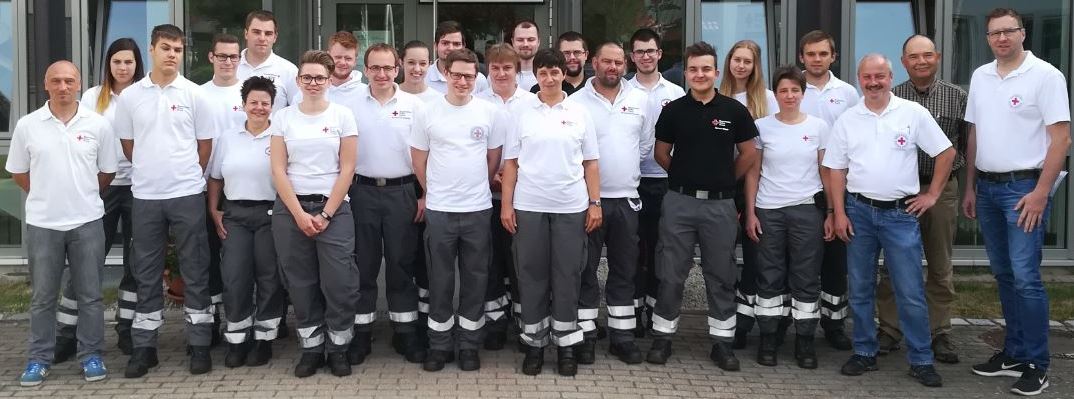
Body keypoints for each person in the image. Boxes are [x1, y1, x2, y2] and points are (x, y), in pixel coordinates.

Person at [824, 53, 953, 388]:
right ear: (858, 79)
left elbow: (946, 152)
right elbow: (834, 169)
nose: (873, 82)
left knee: (909, 289)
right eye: (867, 77)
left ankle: (921, 359)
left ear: (890, 76)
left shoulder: (912, 113)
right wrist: (838, 213)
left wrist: (933, 195)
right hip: (859, 213)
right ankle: (865, 353)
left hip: (900, 215)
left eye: (880, 76)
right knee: (862, 287)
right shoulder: (848, 119)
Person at [964, 8, 1071, 397]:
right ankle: (1013, 353)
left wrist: (1041, 193)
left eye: (1009, 31)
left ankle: (1037, 364)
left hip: (1023, 190)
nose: (1002, 38)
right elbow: (974, 133)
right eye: (994, 33)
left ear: (1023, 33)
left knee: (1026, 278)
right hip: (989, 190)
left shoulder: (1046, 76)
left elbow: (1061, 140)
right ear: (988, 38)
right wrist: (971, 187)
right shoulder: (980, 76)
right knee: (1004, 274)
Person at [645, 41, 758, 372]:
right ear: (687, 72)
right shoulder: (674, 110)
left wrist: (723, 180)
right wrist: (684, 177)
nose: (699, 74)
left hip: (720, 207)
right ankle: (663, 337)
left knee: (721, 274)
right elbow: (661, 154)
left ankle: (722, 343)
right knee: (670, 273)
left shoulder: (734, 111)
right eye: (693, 69)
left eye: (706, 69)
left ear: (716, 72)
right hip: (679, 202)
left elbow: (749, 155)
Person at [115, 24, 216, 378]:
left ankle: (200, 345)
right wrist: (153, 171)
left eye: (177, 48)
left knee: (195, 268)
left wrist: (186, 174)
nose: (172, 54)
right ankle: (144, 348)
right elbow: (129, 146)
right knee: (145, 271)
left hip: (186, 193)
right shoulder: (130, 97)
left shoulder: (194, 94)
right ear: (152, 49)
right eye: (165, 48)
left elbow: (205, 146)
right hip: (145, 196)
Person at [9, 61, 117, 387]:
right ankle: (39, 359)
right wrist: (45, 193)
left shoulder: (97, 125)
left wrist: (80, 193)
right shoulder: (28, 125)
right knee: (43, 297)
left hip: (87, 222)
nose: (63, 87)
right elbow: (18, 171)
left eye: (69, 81)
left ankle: (92, 355)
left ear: (79, 84)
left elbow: (107, 171)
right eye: (56, 81)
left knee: (90, 296)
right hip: (44, 224)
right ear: (46, 85)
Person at [501, 48, 601, 377]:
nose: (549, 78)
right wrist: (506, 204)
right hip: (529, 206)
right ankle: (534, 343)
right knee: (530, 275)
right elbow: (511, 164)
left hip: (570, 206)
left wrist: (594, 202)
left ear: (563, 73)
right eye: (542, 73)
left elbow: (590, 163)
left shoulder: (580, 111)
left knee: (568, 274)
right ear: (536, 76)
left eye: (554, 72)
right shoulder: (522, 114)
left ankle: (566, 346)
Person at [410, 48, 507, 372]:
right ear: (446, 74)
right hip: (439, 210)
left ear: (476, 77)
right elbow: (418, 159)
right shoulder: (428, 111)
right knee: (440, 279)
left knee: (476, 279)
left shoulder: (489, 112)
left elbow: (493, 158)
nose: (463, 81)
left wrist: (478, 183)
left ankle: (468, 345)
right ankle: (439, 345)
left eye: (469, 75)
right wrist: (433, 189)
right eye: (457, 75)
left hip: (478, 209)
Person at [270, 50, 361, 378]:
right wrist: (298, 214)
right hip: (291, 210)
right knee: (301, 282)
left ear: (329, 79)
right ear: (298, 81)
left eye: (320, 77)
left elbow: (347, 167)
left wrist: (324, 214)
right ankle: (311, 348)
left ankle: (338, 348)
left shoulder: (342, 115)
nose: (313, 83)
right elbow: (279, 170)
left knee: (339, 282)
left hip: (333, 209)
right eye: (307, 77)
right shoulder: (283, 118)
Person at [879, 34, 966, 365]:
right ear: (903, 62)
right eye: (913, 57)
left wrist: (965, 189)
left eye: (927, 55)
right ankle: (889, 329)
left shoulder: (957, 97)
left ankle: (939, 332)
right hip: (900, 191)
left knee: (940, 264)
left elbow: (966, 146)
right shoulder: (892, 96)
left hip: (941, 190)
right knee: (893, 264)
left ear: (937, 57)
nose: (921, 61)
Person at [54, 38, 143, 361]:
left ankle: (127, 329)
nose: (122, 67)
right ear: (108, 64)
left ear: (137, 65)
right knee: (86, 261)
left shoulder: (142, 94)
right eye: (117, 61)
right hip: (100, 188)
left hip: (137, 188)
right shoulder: (93, 97)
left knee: (135, 266)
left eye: (128, 62)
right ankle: (66, 335)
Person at [570, 41, 653, 365]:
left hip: (627, 201)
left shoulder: (641, 101)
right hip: (588, 202)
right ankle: (587, 336)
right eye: (606, 61)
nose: (612, 67)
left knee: (624, 270)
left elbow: (645, 146)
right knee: (585, 270)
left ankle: (622, 337)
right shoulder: (576, 103)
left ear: (626, 65)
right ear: (594, 62)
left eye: (618, 62)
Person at [344, 43, 427, 366]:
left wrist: (424, 194)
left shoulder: (414, 106)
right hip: (362, 192)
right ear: (365, 71)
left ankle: (404, 332)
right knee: (363, 266)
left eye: (387, 68)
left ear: (397, 70)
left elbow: (423, 155)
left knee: (401, 264)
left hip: (402, 192)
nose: (381, 74)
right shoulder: (350, 106)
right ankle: (361, 334)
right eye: (375, 68)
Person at [743, 66, 829, 369]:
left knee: (806, 277)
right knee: (769, 276)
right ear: (775, 94)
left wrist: (830, 212)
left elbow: (825, 172)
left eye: (795, 90)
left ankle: (804, 341)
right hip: (769, 210)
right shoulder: (762, 126)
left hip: (807, 209)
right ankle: (768, 339)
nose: (789, 95)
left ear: (802, 93)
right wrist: (751, 212)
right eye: (784, 90)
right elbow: (753, 172)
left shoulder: (819, 126)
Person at [206, 76, 285, 369]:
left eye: (265, 103)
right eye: (254, 102)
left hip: (269, 215)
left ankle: (264, 340)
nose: (259, 107)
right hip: (235, 216)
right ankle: (237, 340)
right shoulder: (227, 138)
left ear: (272, 106)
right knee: (235, 278)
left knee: (268, 277)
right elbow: (215, 177)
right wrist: (214, 210)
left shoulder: (280, 136)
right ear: (243, 105)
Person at [797, 30, 859, 350]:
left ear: (833, 56)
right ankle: (792, 323)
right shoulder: (791, 90)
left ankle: (833, 324)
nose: (817, 59)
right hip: (799, 188)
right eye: (811, 54)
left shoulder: (848, 93)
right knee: (800, 259)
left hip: (837, 186)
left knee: (836, 260)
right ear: (801, 57)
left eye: (823, 53)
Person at [719, 39, 781, 348]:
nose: (741, 65)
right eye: (736, 59)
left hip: (757, 186)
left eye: (747, 61)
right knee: (724, 258)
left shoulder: (768, 99)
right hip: (725, 185)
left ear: (756, 66)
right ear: (729, 62)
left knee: (756, 257)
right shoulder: (719, 96)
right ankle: (728, 321)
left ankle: (748, 321)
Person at [475, 43, 537, 350]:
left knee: (522, 263)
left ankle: (525, 321)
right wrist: (492, 176)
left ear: (517, 70)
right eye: (495, 68)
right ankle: (495, 322)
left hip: (523, 197)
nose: (500, 73)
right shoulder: (476, 101)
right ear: (488, 70)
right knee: (491, 263)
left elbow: (537, 149)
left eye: (507, 68)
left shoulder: (532, 103)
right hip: (485, 198)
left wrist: (510, 176)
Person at [627, 28, 685, 334]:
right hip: (632, 183)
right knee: (634, 251)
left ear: (659, 54)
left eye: (650, 51)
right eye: (639, 51)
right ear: (632, 56)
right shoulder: (623, 93)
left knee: (662, 250)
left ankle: (655, 311)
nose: (645, 56)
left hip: (665, 182)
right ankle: (634, 313)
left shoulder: (675, 94)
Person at [200, 33, 247, 347]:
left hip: (243, 190)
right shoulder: (197, 95)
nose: (228, 61)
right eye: (222, 56)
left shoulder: (251, 93)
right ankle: (215, 319)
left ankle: (255, 320)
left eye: (233, 56)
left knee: (245, 261)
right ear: (211, 58)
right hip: (204, 187)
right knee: (211, 259)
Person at [237, 10, 298, 112]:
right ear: (246, 34)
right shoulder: (231, 66)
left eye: (268, 33)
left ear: (275, 37)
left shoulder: (289, 71)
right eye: (256, 32)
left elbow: (297, 112)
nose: (262, 38)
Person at [293, 31, 367, 103]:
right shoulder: (306, 93)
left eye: (348, 58)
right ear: (328, 56)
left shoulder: (366, 94)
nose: (342, 62)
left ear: (355, 61)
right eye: (338, 57)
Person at [426, 21, 490, 93]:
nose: (451, 48)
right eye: (445, 43)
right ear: (435, 46)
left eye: (456, 44)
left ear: (463, 46)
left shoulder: (479, 80)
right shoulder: (424, 77)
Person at [511, 19, 540, 89]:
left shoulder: (548, 75)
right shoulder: (500, 75)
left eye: (531, 40)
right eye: (520, 40)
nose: (525, 44)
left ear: (538, 42)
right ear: (512, 42)